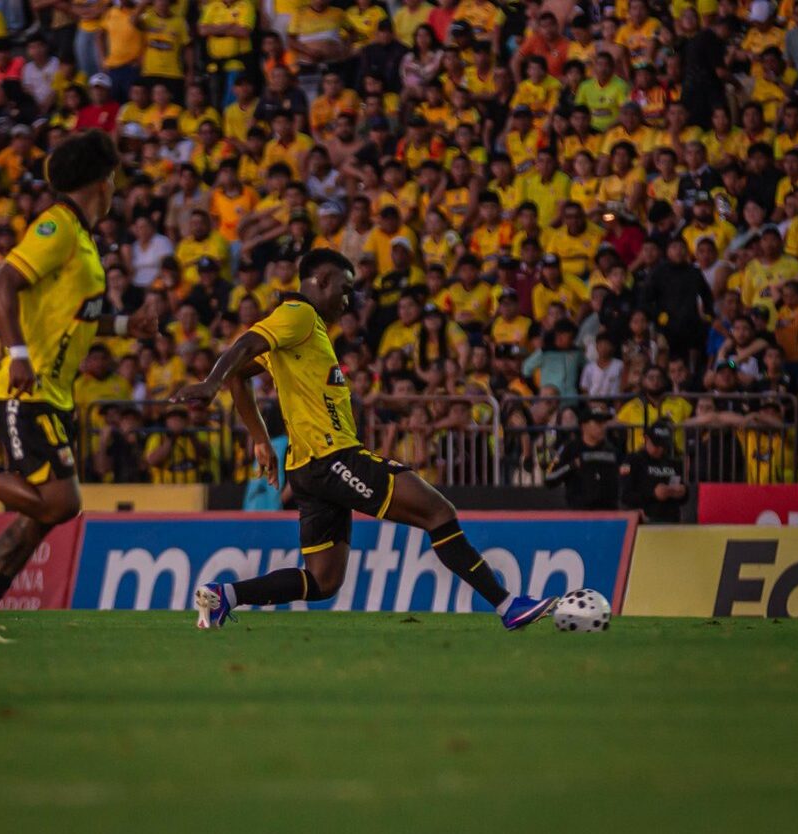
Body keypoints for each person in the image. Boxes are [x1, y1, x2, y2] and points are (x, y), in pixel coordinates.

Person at [172, 249, 558, 630]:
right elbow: (241, 349)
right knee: (438, 512)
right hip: (332, 458)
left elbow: (241, 373)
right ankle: (508, 605)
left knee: (324, 580)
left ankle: (225, 596)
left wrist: (259, 438)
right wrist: (210, 384)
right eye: (344, 289)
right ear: (320, 281)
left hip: (308, 470)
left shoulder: (302, 332)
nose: (348, 301)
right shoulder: (299, 314)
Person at [0, 130, 158, 643]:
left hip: (55, 394)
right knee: (61, 504)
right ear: (102, 181)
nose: (115, 187)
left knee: (42, 515)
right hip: (27, 390)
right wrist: (17, 354)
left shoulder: (85, 240)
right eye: (113, 177)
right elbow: (0, 283)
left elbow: (76, 316)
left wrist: (123, 327)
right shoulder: (57, 225)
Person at [544, 405, 620, 510]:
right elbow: (550, 478)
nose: (602, 427)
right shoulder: (570, 448)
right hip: (579, 513)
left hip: (608, 513)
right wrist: (572, 465)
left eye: (604, 423)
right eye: (598, 423)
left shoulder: (611, 449)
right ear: (584, 426)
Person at [620, 419, 688, 522]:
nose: (659, 449)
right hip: (647, 518)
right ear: (646, 438)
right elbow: (625, 495)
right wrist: (653, 494)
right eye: (656, 444)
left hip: (672, 518)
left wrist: (683, 492)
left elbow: (683, 491)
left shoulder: (673, 462)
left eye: (663, 445)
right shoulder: (632, 461)